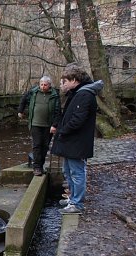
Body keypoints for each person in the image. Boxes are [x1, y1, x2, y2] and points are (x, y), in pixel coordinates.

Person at [50, 63, 104, 214]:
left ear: (74, 80)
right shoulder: (78, 93)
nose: (63, 84)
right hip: (72, 142)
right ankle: (72, 198)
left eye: (65, 81)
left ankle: (77, 204)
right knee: (67, 171)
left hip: (77, 143)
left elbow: (77, 121)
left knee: (77, 172)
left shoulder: (84, 95)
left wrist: (61, 131)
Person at [17, 76, 61, 176]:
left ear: (49, 85)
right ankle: (36, 167)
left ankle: (41, 166)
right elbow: (24, 99)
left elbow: (58, 111)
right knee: (37, 145)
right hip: (35, 124)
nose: (43, 87)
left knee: (45, 146)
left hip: (48, 125)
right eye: (41, 84)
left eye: (45, 85)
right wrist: (20, 111)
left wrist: (54, 125)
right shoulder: (33, 92)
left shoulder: (54, 95)